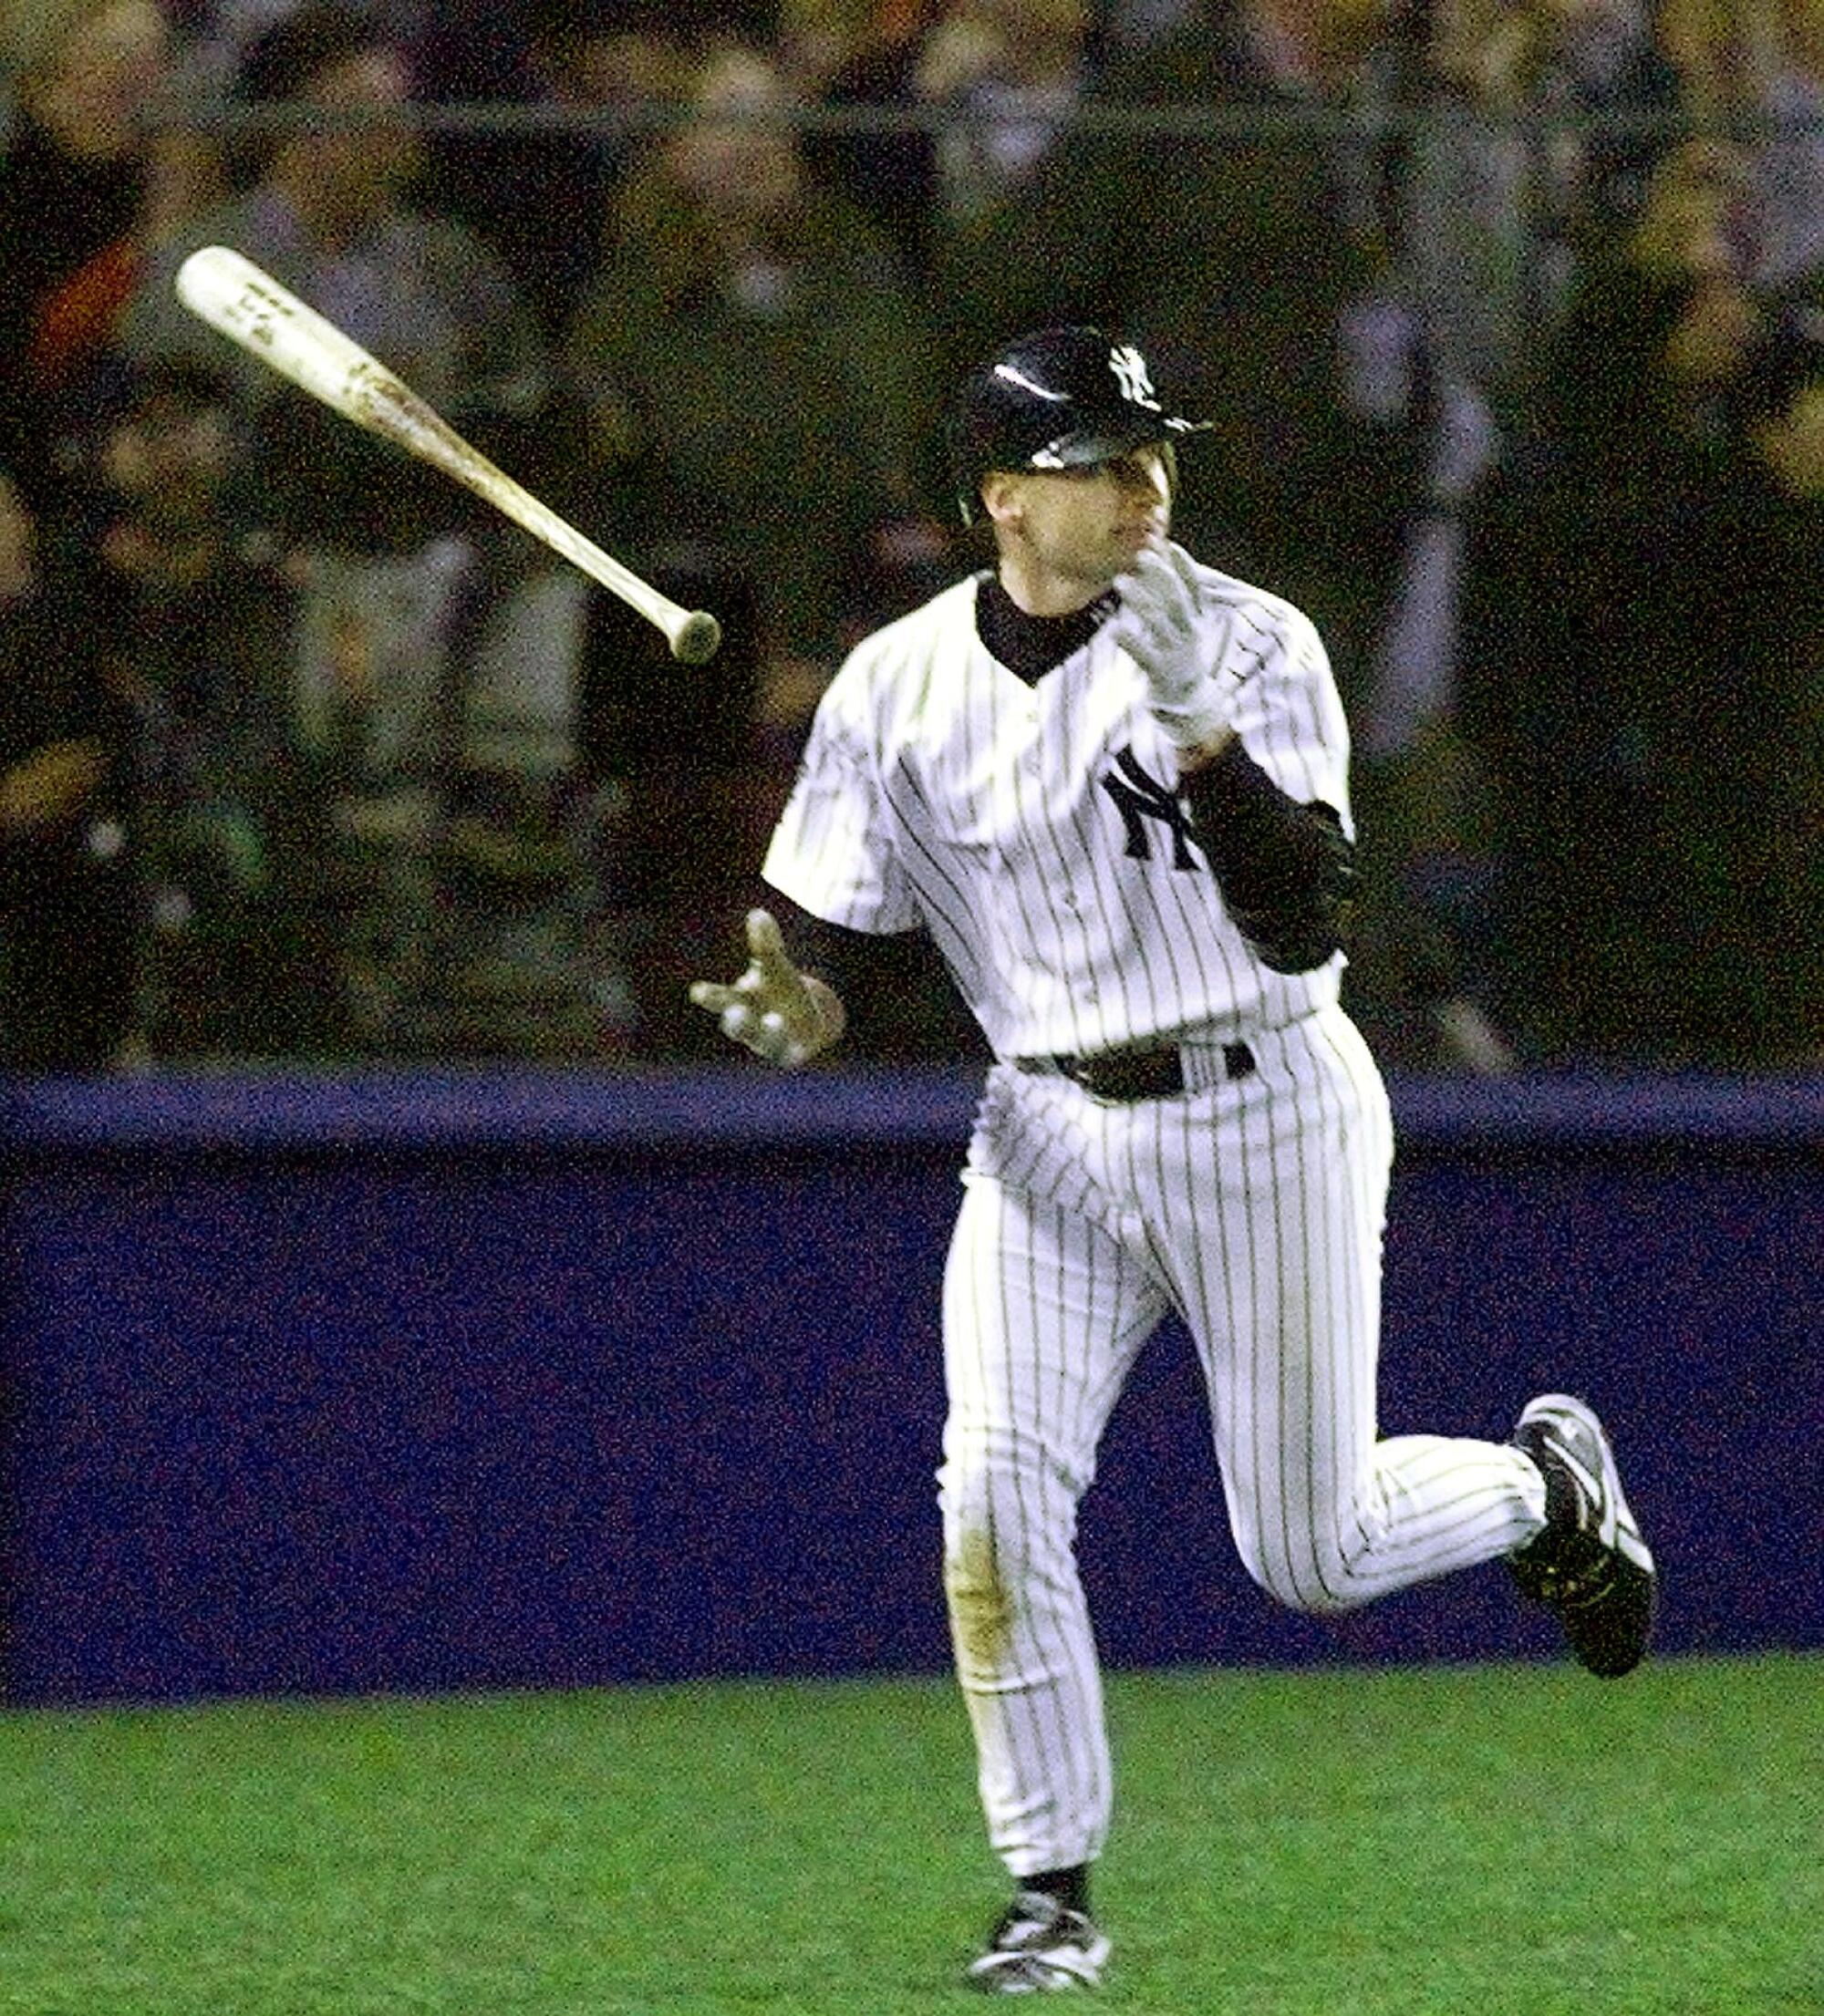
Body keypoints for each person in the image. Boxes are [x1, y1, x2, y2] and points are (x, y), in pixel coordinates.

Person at [688, 326, 1659, 1992]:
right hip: (1046, 1133)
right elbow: (829, 941)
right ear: (1002, 498)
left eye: (1154, 454)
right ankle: (1049, 1891)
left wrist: (1204, 732)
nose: (1144, 486)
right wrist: (797, 1008)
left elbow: (1304, 923)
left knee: (1314, 1555)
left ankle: (1542, 1493)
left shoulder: (1250, 641)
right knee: (990, 1497)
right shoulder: (898, 681)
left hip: (1259, 1102)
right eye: (1098, 462)